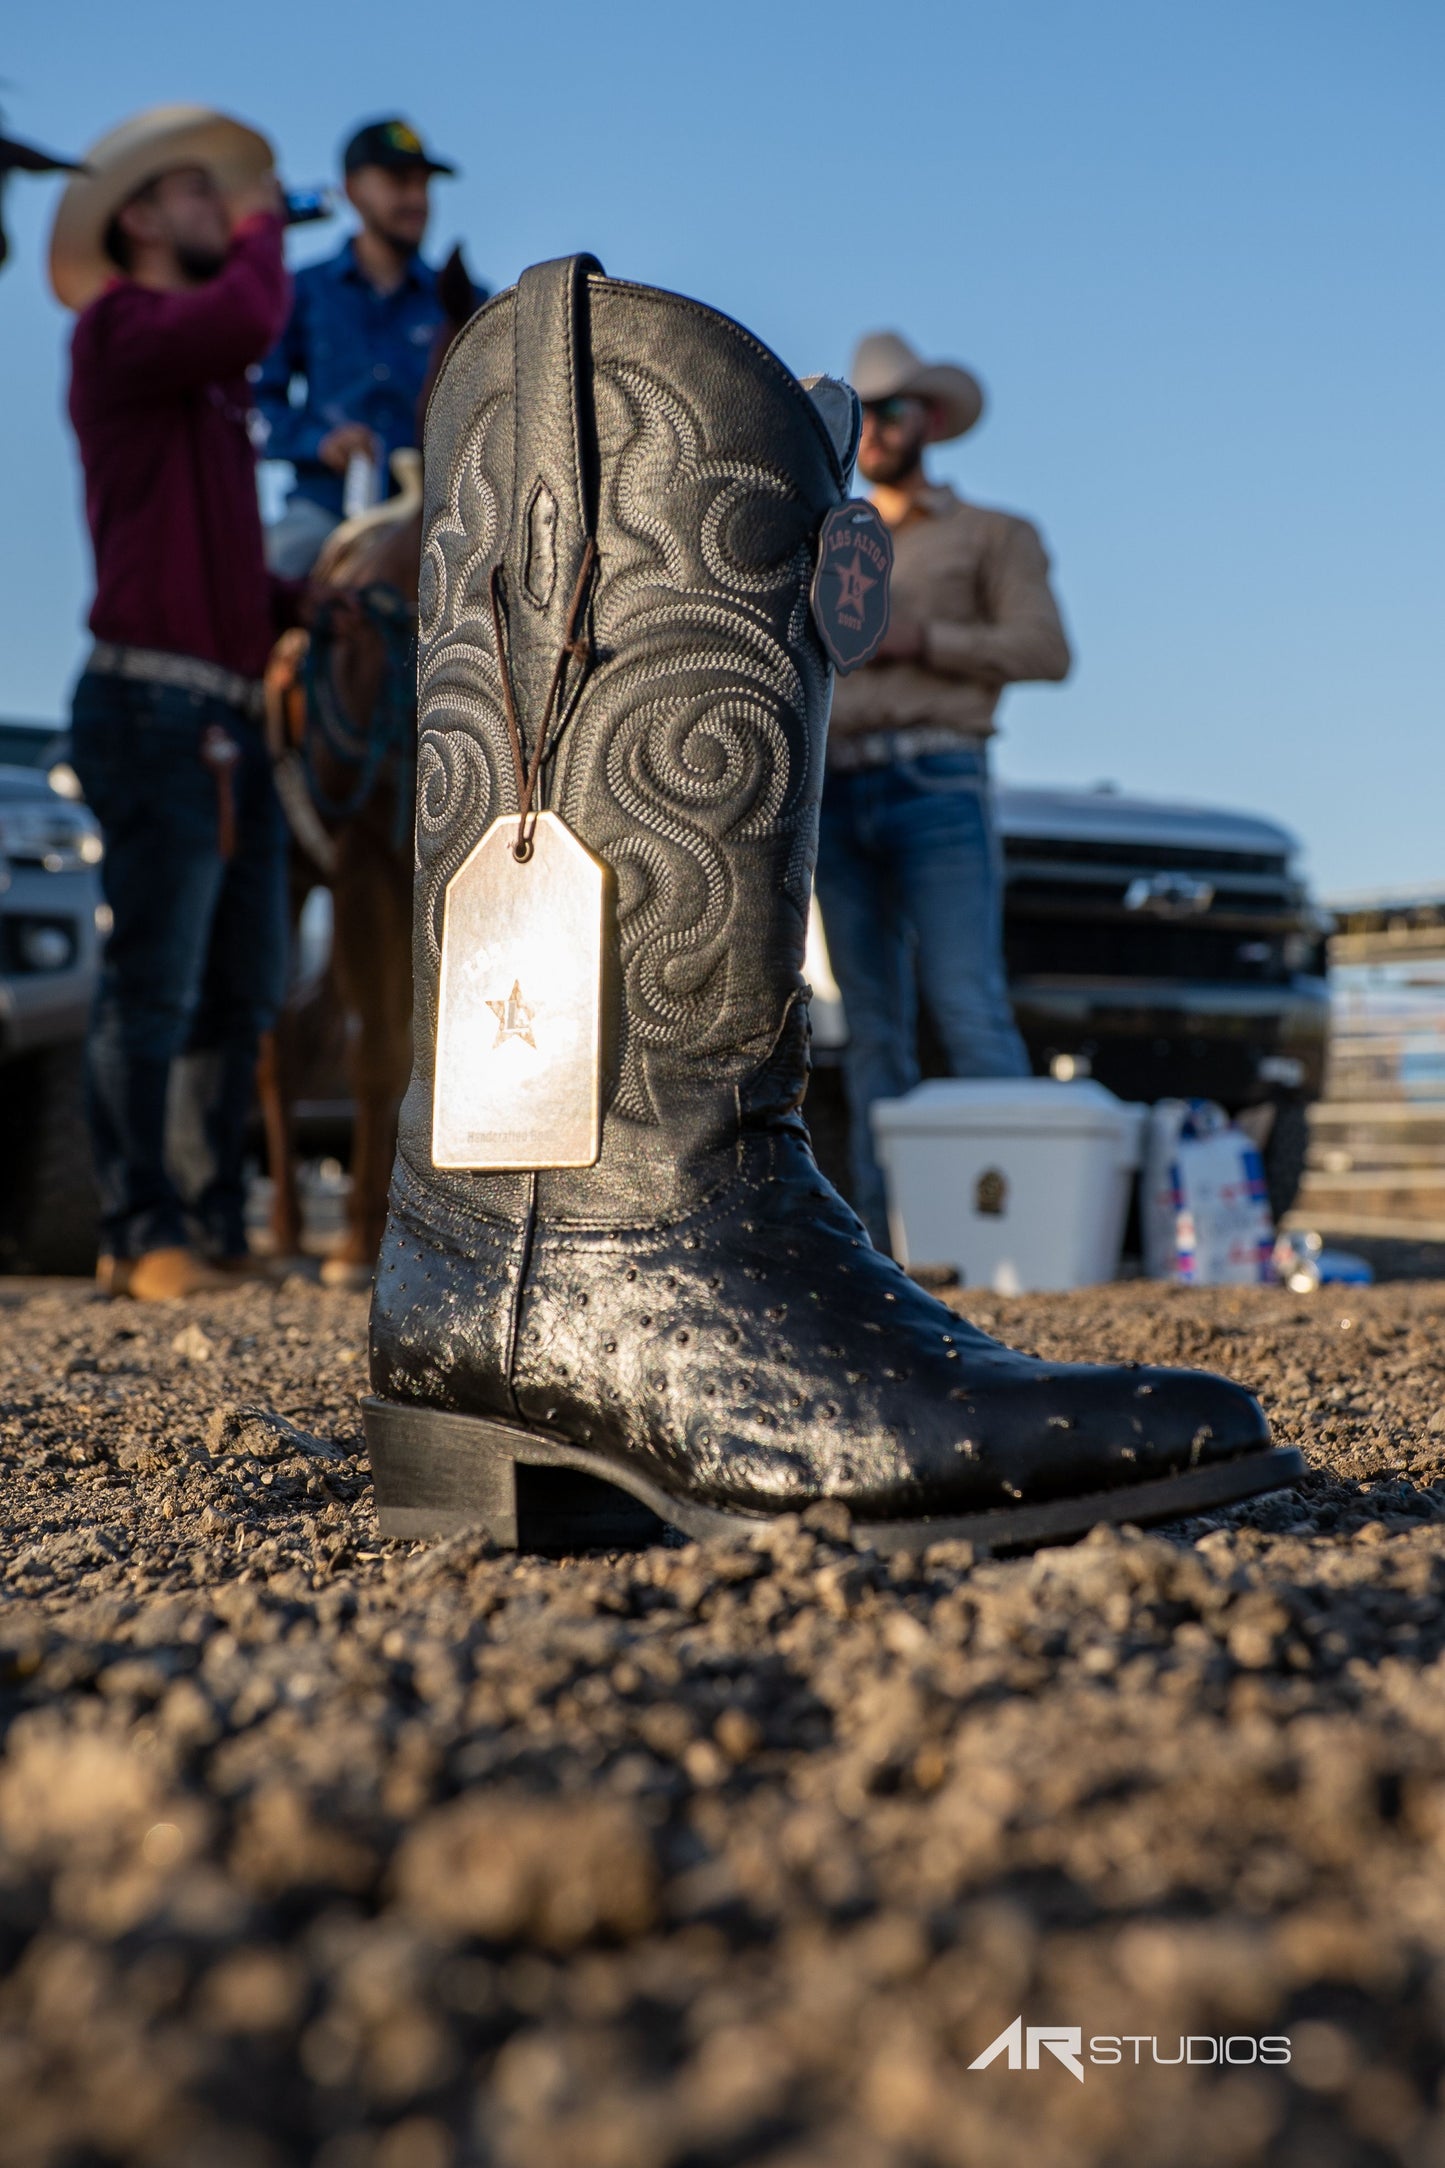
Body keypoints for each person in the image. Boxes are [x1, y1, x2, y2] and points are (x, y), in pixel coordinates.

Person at [50, 105, 294, 1299]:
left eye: (229, 199)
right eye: (201, 196)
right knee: (157, 977)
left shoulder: (199, 381)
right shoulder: (123, 330)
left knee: (236, 983)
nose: (228, 213)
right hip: (154, 714)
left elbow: (227, 569)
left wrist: (310, 597)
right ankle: (138, 1224)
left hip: (218, 714)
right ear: (139, 218)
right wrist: (264, 228)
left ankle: (198, 1224)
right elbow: (252, 309)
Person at [814, 329, 1072, 1250]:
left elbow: (1047, 651)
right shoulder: (825, 537)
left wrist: (930, 643)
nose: (878, 427)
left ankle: (1013, 1231)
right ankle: (897, 1245)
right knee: (873, 1025)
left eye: (893, 408)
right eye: (865, 411)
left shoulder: (992, 534)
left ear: (927, 419)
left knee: (965, 1001)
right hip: (835, 793)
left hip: (938, 778)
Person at [257, 117, 468, 578]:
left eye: (423, 185)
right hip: (327, 513)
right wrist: (321, 443)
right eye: (397, 182)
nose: (415, 199)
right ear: (352, 189)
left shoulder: (459, 301)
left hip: (440, 520)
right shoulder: (302, 292)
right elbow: (257, 408)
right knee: (259, 582)